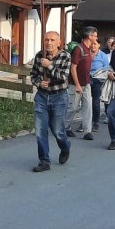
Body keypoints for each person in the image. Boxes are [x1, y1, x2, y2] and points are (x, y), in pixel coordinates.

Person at [30, 30, 72, 172]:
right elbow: (33, 75)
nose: (49, 42)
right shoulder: (39, 56)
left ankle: (65, 147)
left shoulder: (65, 56)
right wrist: (39, 83)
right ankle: (44, 161)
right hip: (42, 97)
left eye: (52, 40)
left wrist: (49, 65)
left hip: (59, 97)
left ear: (59, 43)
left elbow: (63, 77)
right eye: (46, 40)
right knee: (40, 131)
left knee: (57, 130)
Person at [67, 26, 97, 141]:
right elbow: (73, 68)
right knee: (73, 107)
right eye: (94, 35)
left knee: (88, 107)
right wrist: (77, 84)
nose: (96, 38)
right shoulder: (78, 49)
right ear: (89, 36)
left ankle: (87, 131)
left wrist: (93, 55)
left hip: (87, 83)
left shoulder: (89, 49)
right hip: (76, 84)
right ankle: (66, 127)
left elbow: (86, 64)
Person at [88, 39, 110, 132]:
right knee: (87, 102)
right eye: (91, 44)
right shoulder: (86, 54)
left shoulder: (103, 56)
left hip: (98, 80)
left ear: (99, 45)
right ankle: (86, 122)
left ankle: (95, 122)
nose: (93, 46)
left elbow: (106, 69)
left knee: (95, 102)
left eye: (95, 44)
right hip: (87, 79)